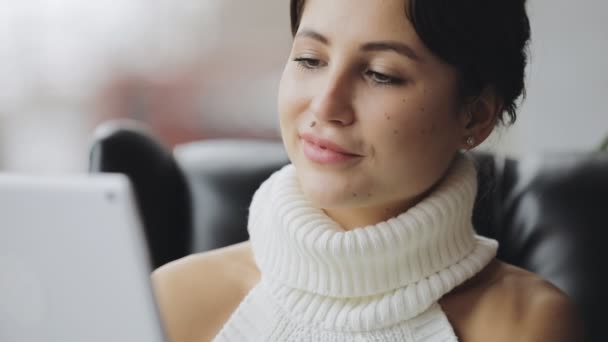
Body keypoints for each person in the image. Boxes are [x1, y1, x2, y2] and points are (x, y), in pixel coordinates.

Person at [152, 0, 584, 341]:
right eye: (309, 59)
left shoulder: (529, 326)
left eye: (380, 75)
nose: (326, 105)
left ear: (475, 115)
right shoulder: (170, 300)